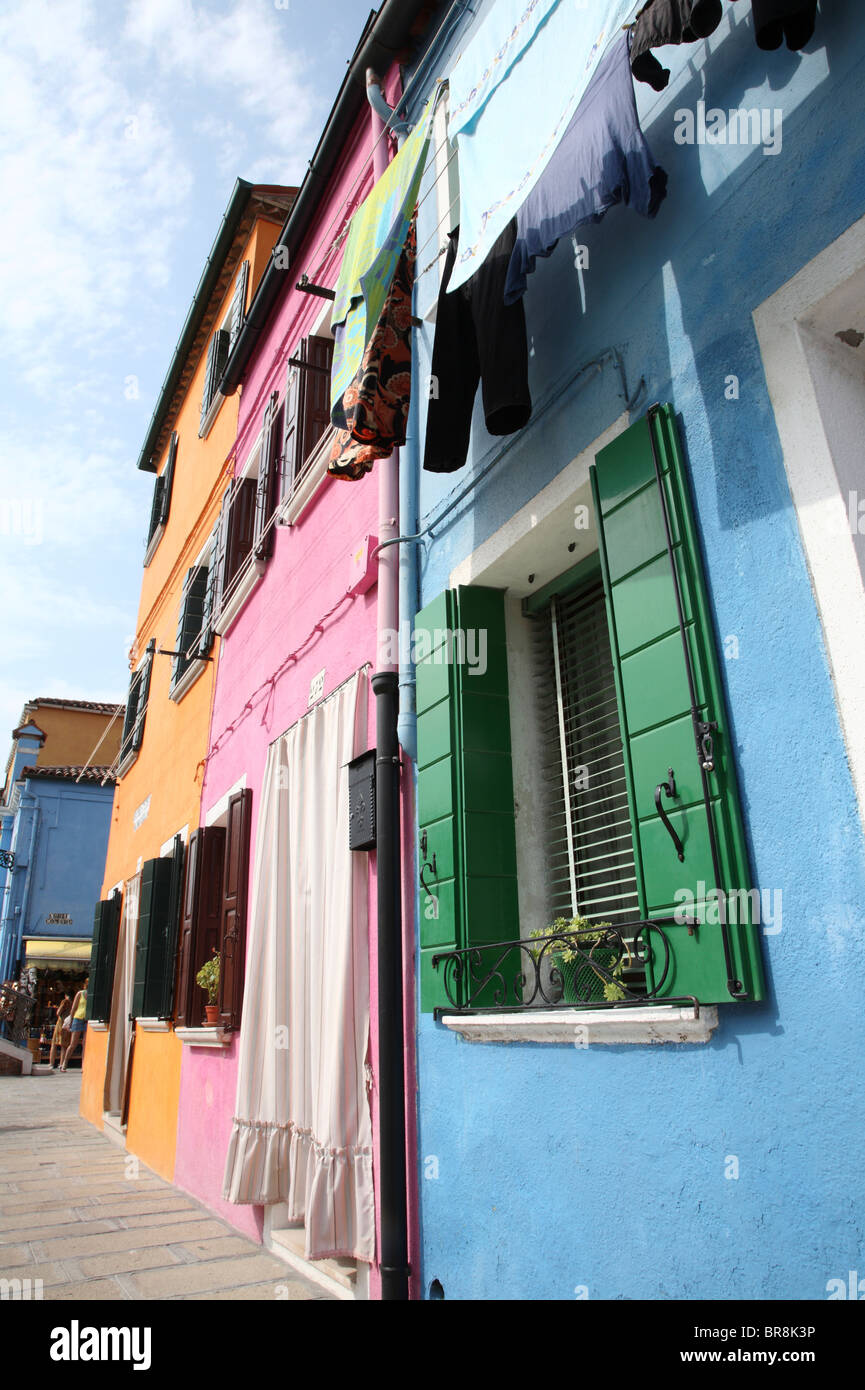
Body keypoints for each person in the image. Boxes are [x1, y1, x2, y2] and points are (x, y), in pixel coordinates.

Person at [60, 977, 88, 1072]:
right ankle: (64, 1063)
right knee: (73, 1044)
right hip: (78, 1018)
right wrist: (71, 1020)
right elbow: (74, 1008)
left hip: (87, 1020)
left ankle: (83, 1066)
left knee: (85, 1044)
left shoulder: (93, 995)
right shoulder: (80, 994)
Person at [48, 990, 72, 1071]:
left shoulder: (65, 1001)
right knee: (64, 1046)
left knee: (54, 1044)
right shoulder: (73, 1003)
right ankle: (61, 1064)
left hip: (61, 1023)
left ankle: (51, 1063)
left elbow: (58, 1012)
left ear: (66, 995)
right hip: (68, 1024)